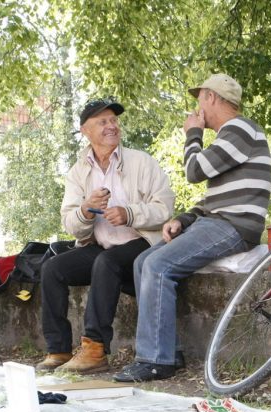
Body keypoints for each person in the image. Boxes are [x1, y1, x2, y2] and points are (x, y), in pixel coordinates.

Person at [115, 74, 271, 382]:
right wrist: (183, 219)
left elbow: (195, 171)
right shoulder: (231, 138)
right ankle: (167, 352)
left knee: (159, 265)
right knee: (142, 261)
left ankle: (155, 360)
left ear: (211, 97)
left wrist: (193, 133)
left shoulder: (241, 130)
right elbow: (213, 199)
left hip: (234, 226)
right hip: (217, 220)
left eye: (199, 100)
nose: (197, 108)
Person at [36, 98, 175, 374]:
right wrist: (86, 211)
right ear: (85, 131)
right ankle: (59, 349)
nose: (112, 126)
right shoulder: (79, 172)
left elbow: (165, 208)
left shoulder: (141, 162)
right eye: (103, 122)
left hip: (142, 243)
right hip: (100, 245)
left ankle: (94, 348)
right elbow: (71, 223)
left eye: (114, 120)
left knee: (107, 262)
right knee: (52, 268)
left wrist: (129, 213)